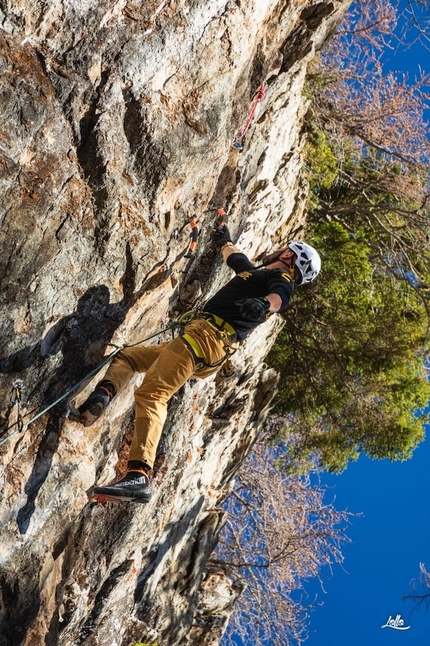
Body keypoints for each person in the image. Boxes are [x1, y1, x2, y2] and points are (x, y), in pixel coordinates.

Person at [70, 225, 321, 503]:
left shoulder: (281, 277)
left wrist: (264, 305)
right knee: (129, 356)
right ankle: (102, 396)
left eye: (286, 249)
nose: (280, 250)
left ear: (290, 256)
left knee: (153, 394)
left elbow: (280, 298)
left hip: (206, 338)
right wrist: (225, 241)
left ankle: (139, 475)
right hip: (204, 345)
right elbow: (238, 260)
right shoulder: (258, 274)